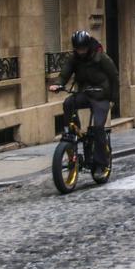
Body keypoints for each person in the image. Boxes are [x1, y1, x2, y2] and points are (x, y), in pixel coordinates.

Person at [48, 30, 119, 175]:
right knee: (69, 102)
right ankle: (71, 132)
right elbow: (65, 73)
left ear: (88, 46)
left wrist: (113, 99)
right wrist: (58, 84)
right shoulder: (74, 58)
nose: (80, 51)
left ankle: (101, 164)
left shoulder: (101, 58)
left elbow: (114, 77)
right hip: (86, 93)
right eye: (77, 48)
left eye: (83, 48)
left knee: (98, 127)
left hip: (101, 95)